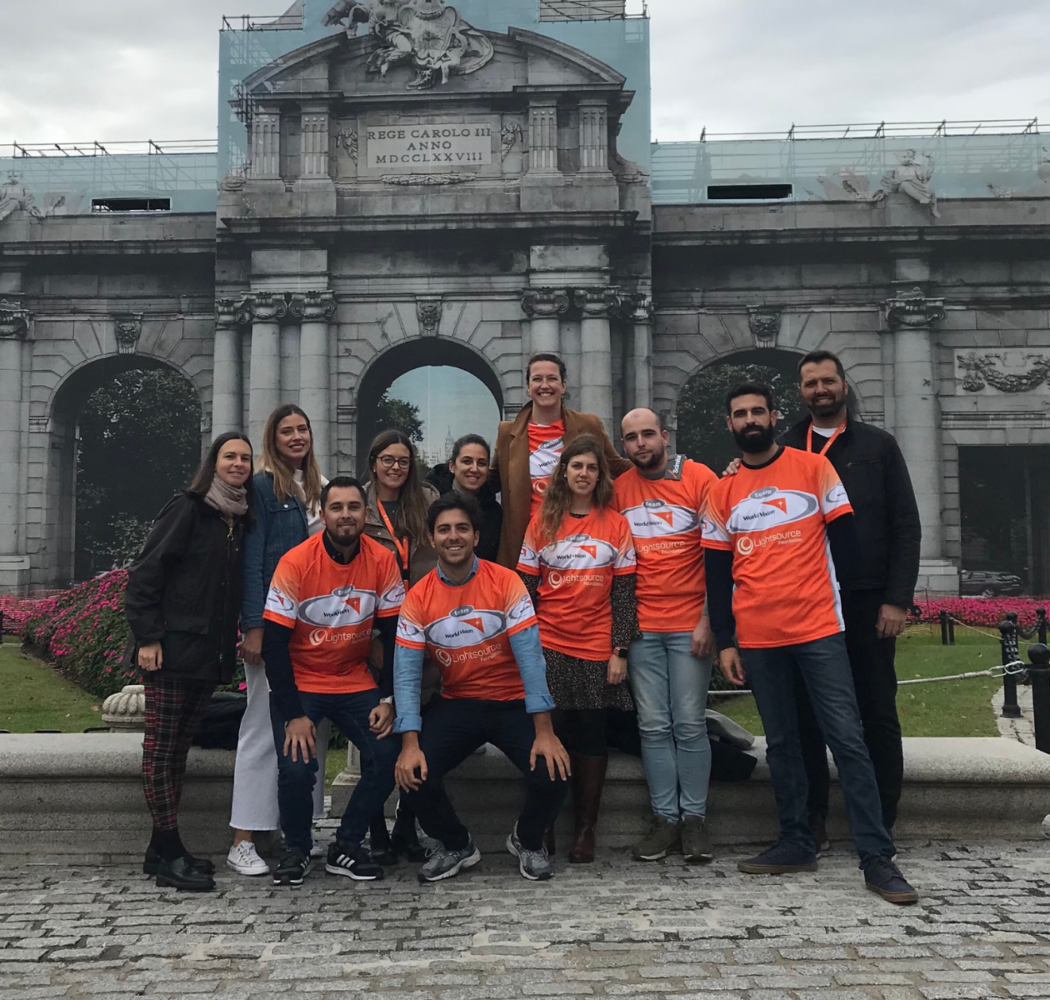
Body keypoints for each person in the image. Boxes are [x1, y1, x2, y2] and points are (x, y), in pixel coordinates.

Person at [702, 381, 918, 905]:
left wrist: (856, 615)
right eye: (739, 414)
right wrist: (726, 641)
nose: (750, 419)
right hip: (757, 636)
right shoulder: (720, 491)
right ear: (729, 425)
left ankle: (876, 855)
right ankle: (796, 840)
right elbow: (716, 573)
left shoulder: (815, 468)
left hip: (818, 627)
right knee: (782, 744)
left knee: (848, 738)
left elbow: (847, 552)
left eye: (758, 411)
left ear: (776, 416)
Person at [392, 494, 571, 883]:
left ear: (476, 536)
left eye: (461, 529)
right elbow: (405, 676)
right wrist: (409, 744)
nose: (453, 537)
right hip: (458, 702)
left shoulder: (506, 582)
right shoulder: (418, 598)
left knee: (554, 769)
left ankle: (526, 839)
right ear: (431, 539)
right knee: (413, 772)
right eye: (444, 530)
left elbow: (530, 658)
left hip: (513, 703)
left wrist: (545, 731)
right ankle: (457, 845)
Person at [785, 351, 920, 851]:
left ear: (843, 385)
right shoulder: (780, 447)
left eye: (827, 381)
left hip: (865, 600)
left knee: (876, 708)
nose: (820, 390)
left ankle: (882, 816)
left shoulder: (879, 446)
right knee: (806, 714)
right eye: (810, 383)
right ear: (800, 391)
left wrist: (897, 600)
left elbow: (906, 526)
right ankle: (813, 815)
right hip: (803, 600)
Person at [125, 432, 255, 892]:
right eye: (229, 457)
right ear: (213, 463)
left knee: (178, 747)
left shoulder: (236, 518)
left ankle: (160, 850)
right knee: (161, 749)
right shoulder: (188, 508)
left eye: (244, 458)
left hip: (206, 652)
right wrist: (148, 637)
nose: (238, 464)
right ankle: (168, 847)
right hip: (171, 651)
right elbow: (145, 573)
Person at [262, 476, 405, 886]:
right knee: (296, 767)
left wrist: (389, 698)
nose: (346, 515)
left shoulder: (382, 559)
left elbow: (396, 636)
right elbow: (273, 644)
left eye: (354, 507)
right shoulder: (296, 562)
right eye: (337, 507)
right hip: (302, 680)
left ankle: (346, 844)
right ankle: (296, 849)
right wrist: (292, 715)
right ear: (323, 514)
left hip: (353, 679)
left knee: (386, 756)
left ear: (366, 513)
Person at [517, 435, 638, 863]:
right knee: (551, 736)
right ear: (563, 473)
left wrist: (619, 650)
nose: (584, 473)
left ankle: (585, 831)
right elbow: (525, 593)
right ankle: (545, 825)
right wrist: (527, 655)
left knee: (590, 741)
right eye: (576, 466)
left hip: (595, 648)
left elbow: (624, 595)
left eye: (591, 467)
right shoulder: (541, 524)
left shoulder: (617, 525)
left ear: (600, 475)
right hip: (548, 644)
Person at [613, 408, 719, 864]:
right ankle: (665, 820)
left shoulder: (698, 477)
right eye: (631, 438)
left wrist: (708, 621)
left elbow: (720, 555)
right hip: (641, 629)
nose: (641, 443)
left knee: (690, 724)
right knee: (653, 727)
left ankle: (694, 821)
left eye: (648, 434)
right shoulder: (619, 490)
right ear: (624, 446)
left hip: (689, 625)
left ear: (665, 436)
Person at [229, 404, 330, 877]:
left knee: (310, 729)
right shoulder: (265, 487)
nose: (297, 437)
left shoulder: (321, 488)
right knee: (261, 730)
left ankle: (297, 835)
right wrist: (254, 624)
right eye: (287, 431)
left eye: (302, 429)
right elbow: (253, 560)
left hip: (320, 629)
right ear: (273, 439)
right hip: (275, 625)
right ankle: (243, 837)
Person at [363, 429, 440, 864]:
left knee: (418, 728)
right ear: (373, 462)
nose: (396, 467)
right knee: (376, 733)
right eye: (388, 460)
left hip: (422, 629)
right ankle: (374, 826)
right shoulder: (357, 502)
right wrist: (371, 637)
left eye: (404, 460)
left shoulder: (426, 499)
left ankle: (407, 825)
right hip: (375, 632)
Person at [490, 352, 631, 568]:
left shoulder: (588, 425)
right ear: (528, 387)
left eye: (552, 379)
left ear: (563, 386)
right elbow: (490, 482)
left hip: (579, 547)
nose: (544, 385)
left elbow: (619, 468)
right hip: (526, 547)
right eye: (537, 379)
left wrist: (667, 467)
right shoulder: (507, 433)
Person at [426, 433, 502, 562]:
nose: (474, 468)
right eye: (467, 461)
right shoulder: (428, 501)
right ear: (452, 466)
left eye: (481, 463)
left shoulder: (494, 513)